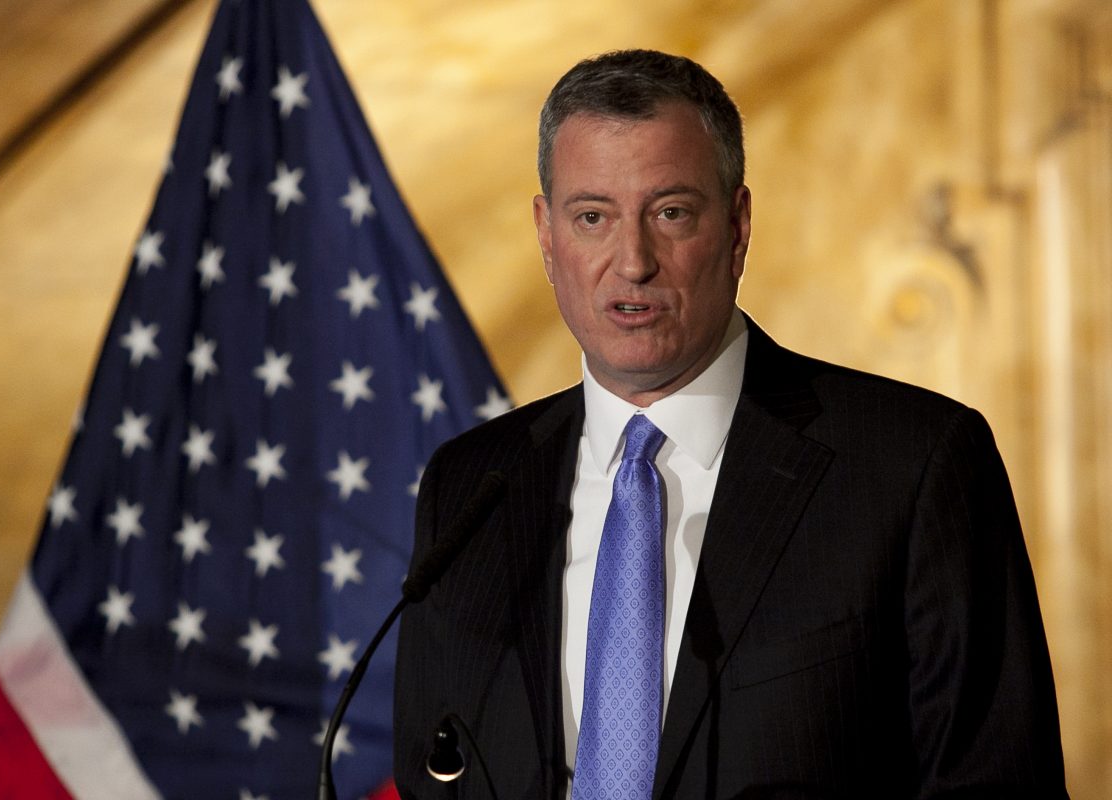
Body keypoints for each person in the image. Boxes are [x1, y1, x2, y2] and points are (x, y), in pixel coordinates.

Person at [394, 49, 1067, 799]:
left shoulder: (913, 465)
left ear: (739, 227)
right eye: (592, 217)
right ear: (547, 235)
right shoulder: (469, 488)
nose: (633, 261)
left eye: (671, 213)